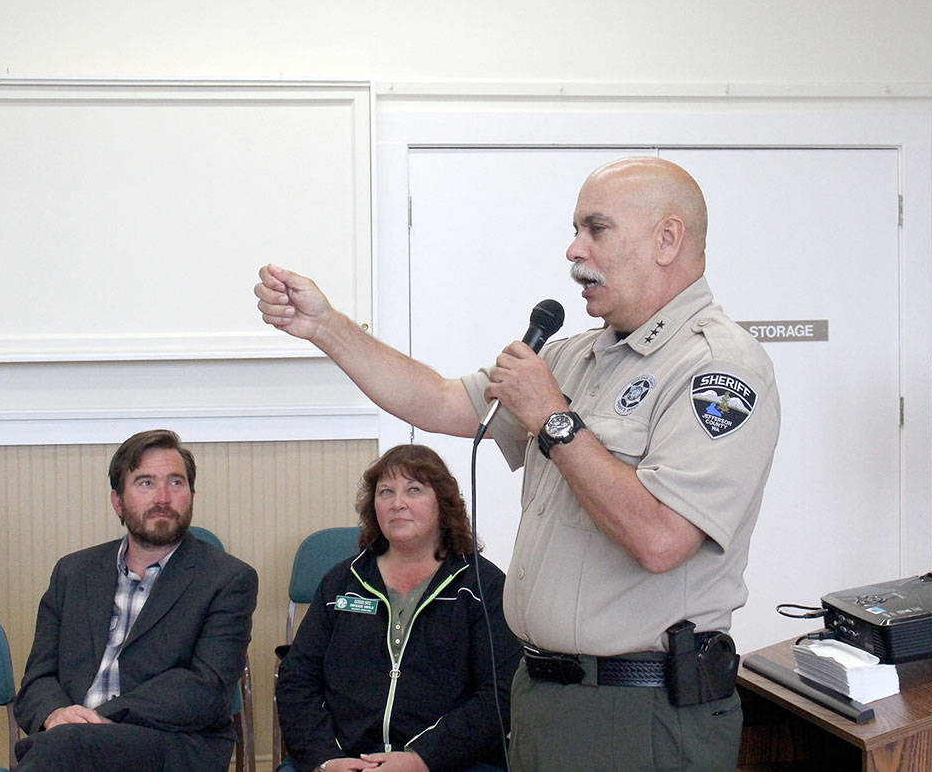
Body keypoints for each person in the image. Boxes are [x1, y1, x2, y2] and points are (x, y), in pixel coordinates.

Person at [256, 156, 780, 770]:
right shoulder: (573, 357)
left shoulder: (717, 368)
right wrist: (328, 328)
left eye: (596, 228)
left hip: (640, 711)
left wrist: (556, 421)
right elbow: (442, 400)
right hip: (542, 697)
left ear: (667, 239)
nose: (573, 249)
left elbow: (662, 538)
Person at [13, 428, 258, 772]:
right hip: (69, 742)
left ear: (191, 494)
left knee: (60, 749)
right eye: (145, 483)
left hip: (171, 742)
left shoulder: (227, 579)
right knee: (63, 748)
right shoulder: (73, 573)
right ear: (118, 501)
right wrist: (55, 714)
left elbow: (206, 690)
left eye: (176, 483)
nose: (163, 497)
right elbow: (38, 678)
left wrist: (94, 720)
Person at [277, 444, 520, 772]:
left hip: (451, 761)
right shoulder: (341, 583)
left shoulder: (481, 587)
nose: (397, 504)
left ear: (443, 504)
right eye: (386, 491)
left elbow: (500, 693)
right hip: (344, 759)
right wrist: (325, 760)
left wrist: (423, 759)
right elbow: (297, 680)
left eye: (414, 490)